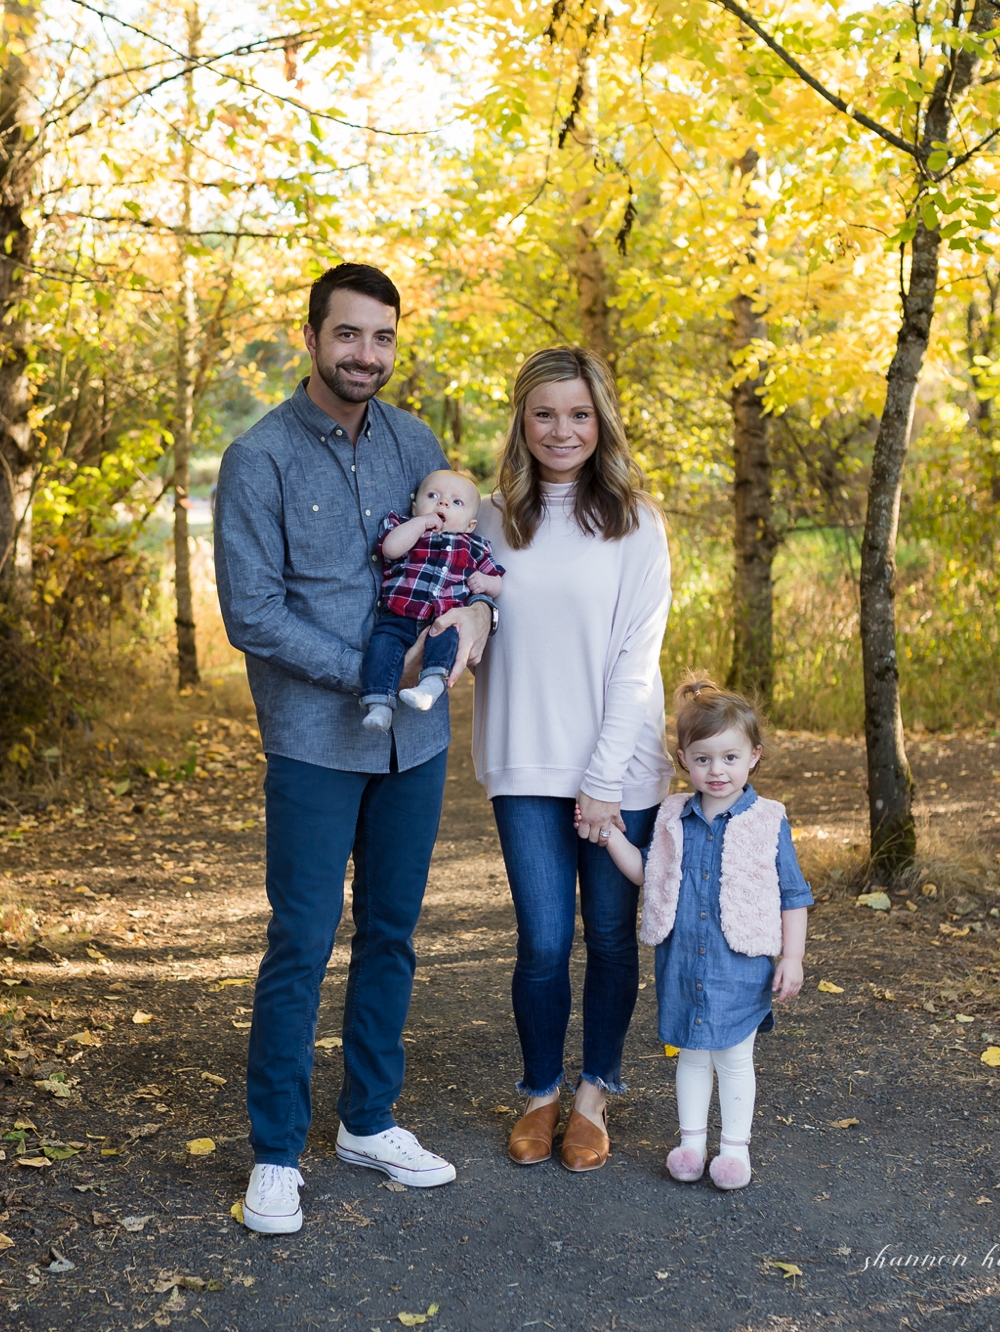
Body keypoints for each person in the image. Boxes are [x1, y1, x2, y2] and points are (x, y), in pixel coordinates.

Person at [211, 263, 494, 1234]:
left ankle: (367, 1121)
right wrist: (363, 672)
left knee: (391, 936)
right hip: (311, 742)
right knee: (298, 943)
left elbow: (462, 563)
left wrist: (465, 638)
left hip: (413, 743)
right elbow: (250, 614)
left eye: (380, 337)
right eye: (347, 335)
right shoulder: (258, 459)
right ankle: (275, 1154)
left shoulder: (417, 444)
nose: (364, 354)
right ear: (311, 336)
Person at [471, 346, 673, 1173]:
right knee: (544, 942)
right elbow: (465, 620)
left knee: (614, 940)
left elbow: (636, 660)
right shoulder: (487, 518)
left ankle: (594, 1093)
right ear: (522, 420)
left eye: (580, 414)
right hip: (523, 761)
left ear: (603, 422)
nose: (563, 429)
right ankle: (540, 1092)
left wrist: (601, 785)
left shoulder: (636, 522)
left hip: (618, 768)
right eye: (545, 413)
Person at [598, 677, 814, 1190]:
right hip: (684, 961)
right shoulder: (673, 815)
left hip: (739, 964)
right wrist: (607, 833)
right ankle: (691, 1144)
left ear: (753, 757)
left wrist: (793, 957)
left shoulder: (767, 819)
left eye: (730, 758)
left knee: (735, 1059)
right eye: (703, 759)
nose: (716, 771)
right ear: (682, 759)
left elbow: (794, 894)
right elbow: (648, 871)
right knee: (692, 1057)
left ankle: (734, 1151)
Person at [361, 469, 505, 731]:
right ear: (415, 506)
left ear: (470, 524)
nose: (443, 503)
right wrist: (420, 523)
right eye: (433, 495)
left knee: (447, 640)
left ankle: (430, 687)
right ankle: (379, 705)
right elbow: (390, 549)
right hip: (399, 616)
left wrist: (485, 583)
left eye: (456, 502)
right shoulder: (407, 529)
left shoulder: (474, 545)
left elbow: (497, 580)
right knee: (381, 648)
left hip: (442, 619)